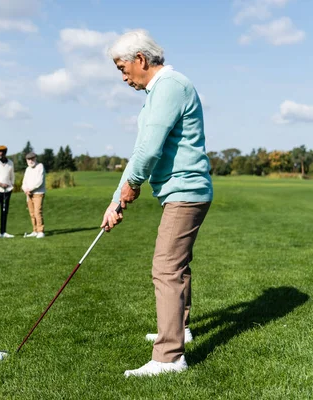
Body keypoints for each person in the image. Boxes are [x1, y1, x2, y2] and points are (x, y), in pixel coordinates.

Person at [101, 30, 213, 377]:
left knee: (166, 268)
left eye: (122, 68)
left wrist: (132, 185)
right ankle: (180, 329)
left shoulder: (170, 87)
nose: (122, 77)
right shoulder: (156, 94)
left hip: (186, 191)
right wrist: (114, 201)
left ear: (141, 60)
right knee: (178, 265)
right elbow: (140, 151)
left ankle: (169, 357)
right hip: (180, 191)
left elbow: (150, 150)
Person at [21, 152, 46, 239]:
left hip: (38, 193)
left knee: (37, 212)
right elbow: (24, 182)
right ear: (26, 160)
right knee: (32, 213)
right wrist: (25, 189)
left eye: (32, 159)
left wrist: (30, 189)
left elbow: (39, 182)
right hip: (29, 194)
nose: (31, 161)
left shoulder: (40, 166)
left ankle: (40, 231)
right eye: (29, 159)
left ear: (35, 158)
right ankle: (35, 230)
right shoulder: (28, 169)